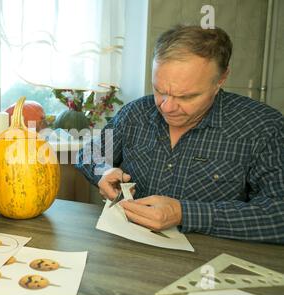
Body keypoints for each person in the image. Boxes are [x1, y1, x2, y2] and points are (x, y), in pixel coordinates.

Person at [76, 25, 284, 244]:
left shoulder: (264, 127)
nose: (166, 107)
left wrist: (184, 213)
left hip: (208, 269)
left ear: (221, 79)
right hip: (127, 254)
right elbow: (90, 154)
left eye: (186, 97)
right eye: (159, 90)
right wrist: (104, 171)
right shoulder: (135, 113)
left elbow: (279, 215)